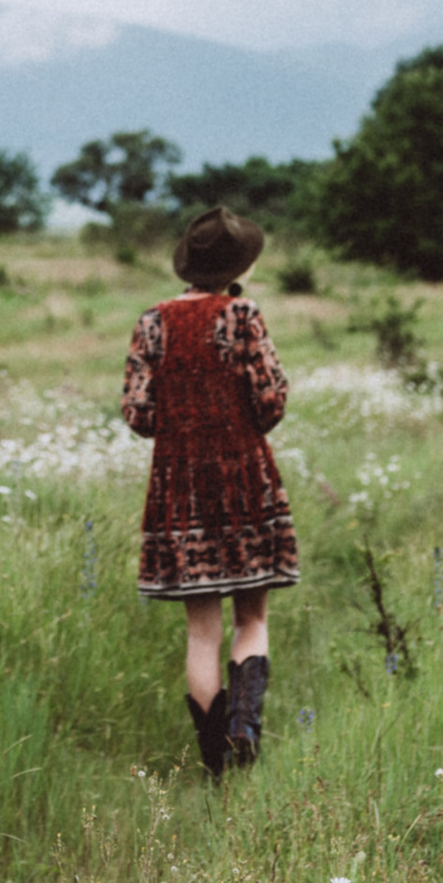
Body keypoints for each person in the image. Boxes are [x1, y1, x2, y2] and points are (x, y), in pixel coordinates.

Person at [121, 202, 297, 777]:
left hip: (179, 490)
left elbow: (138, 413)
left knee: (202, 633)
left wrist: (182, 424)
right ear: (238, 266)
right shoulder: (243, 316)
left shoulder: (152, 322)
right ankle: (245, 728)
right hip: (245, 480)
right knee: (253, 619)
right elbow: (270, 402)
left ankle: (216, 766)